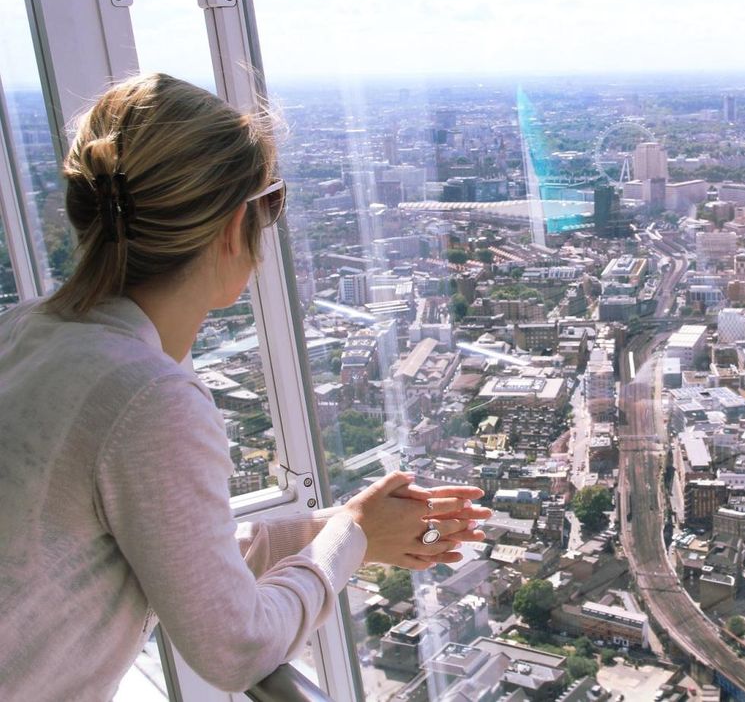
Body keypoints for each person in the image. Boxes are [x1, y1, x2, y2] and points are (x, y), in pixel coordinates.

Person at [0, 73, 491, 698]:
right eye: (271, 204)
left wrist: (341, 530)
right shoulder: (146, 397)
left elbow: (166, 545)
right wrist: (353, 535)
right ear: (235, 228)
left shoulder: (24, 333)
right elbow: (238, 648)